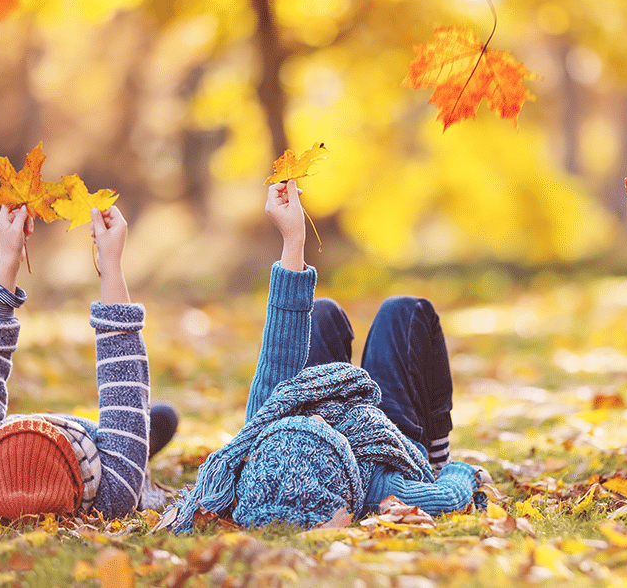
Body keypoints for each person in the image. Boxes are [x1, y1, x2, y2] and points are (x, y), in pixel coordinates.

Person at [170, 181, 485, 533]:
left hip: (321, 430)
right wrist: (462, 473)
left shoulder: (261, 439)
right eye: (322, 432)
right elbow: (448, 497)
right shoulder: (378, 490)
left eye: (307, 423)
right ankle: (435, 453)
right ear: (337, 473)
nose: (319, 418)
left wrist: (293, 240)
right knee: (404, 312)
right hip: (389, 447)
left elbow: (280, 350)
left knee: (319, 314)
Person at [0, 204, 177, 521]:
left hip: (54, 454)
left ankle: (129, 448)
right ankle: (133, 450)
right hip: (90, 450)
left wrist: (8, 259)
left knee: (129, 445)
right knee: (133, 444)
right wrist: (111, 266)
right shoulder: (112, 495)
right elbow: (123, 379)